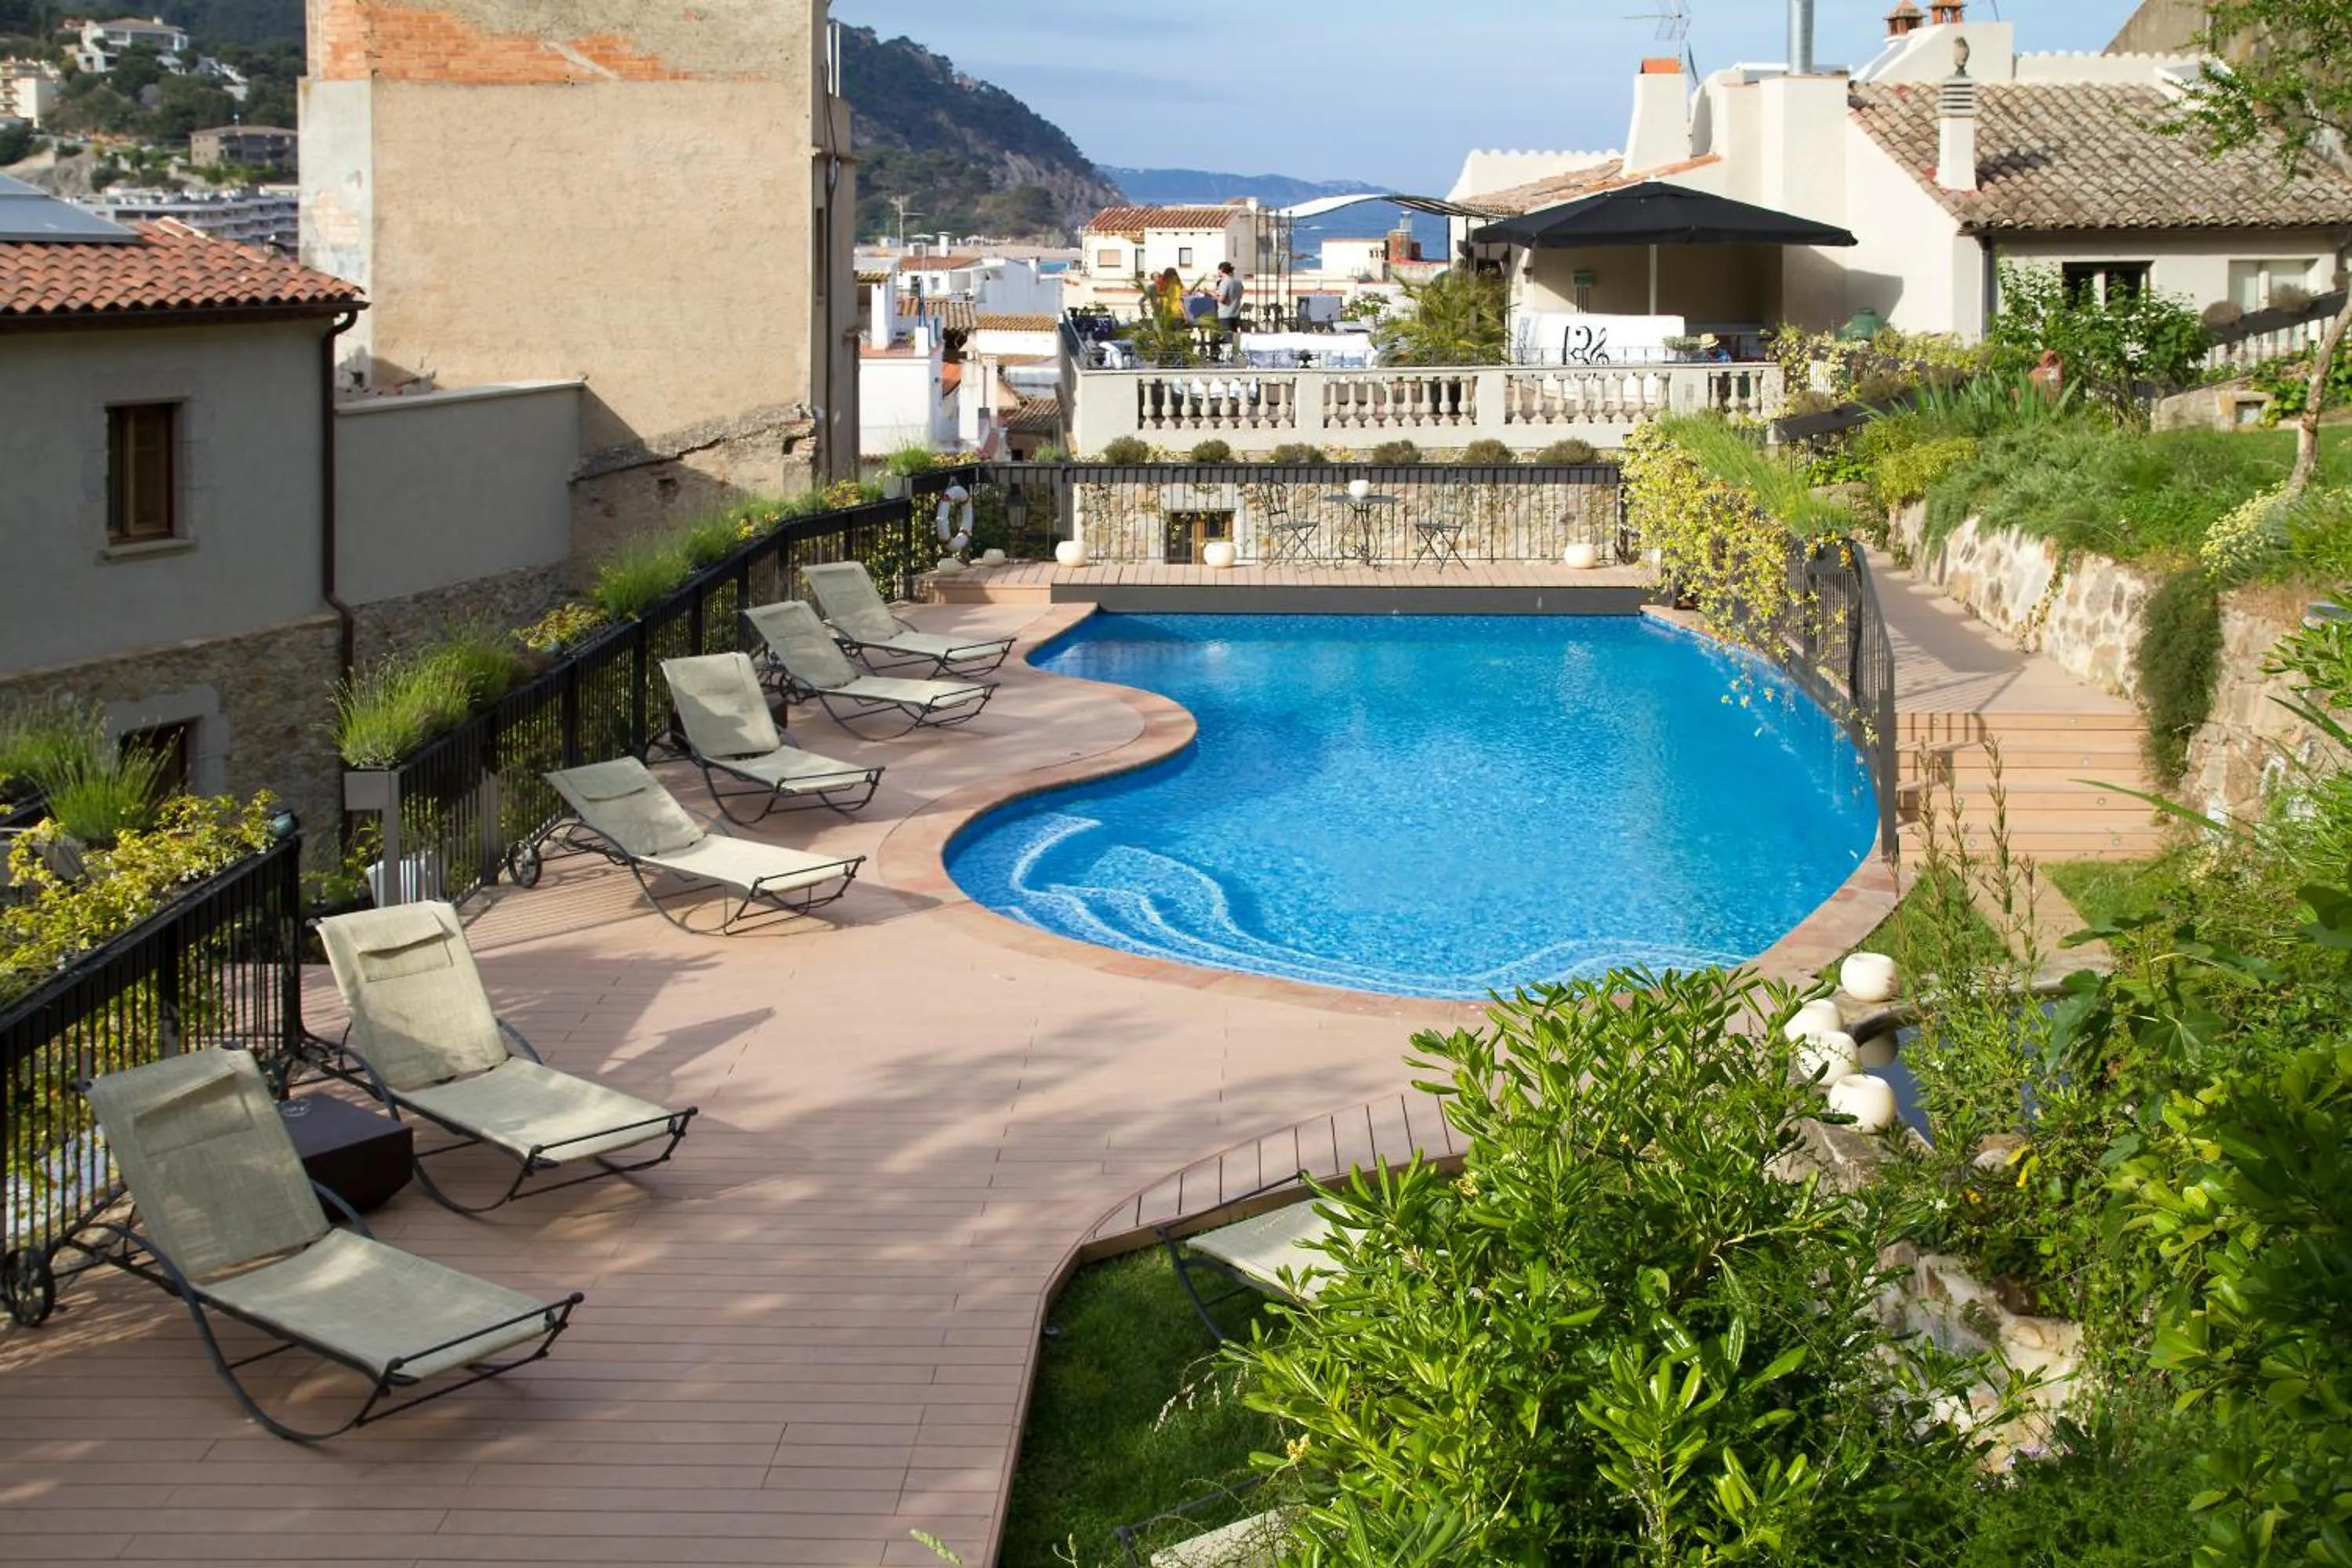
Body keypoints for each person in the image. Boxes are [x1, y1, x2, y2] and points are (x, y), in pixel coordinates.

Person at [1210, 260, 1243, 336]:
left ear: (1221, 270)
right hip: (1235, 314)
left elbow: (1222, 299)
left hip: (1225, 315)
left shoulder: (1225, 282)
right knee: (1234, 339)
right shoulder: (1238, 282)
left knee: (1227, 339)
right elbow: (1240, 295)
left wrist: (1212, 295)